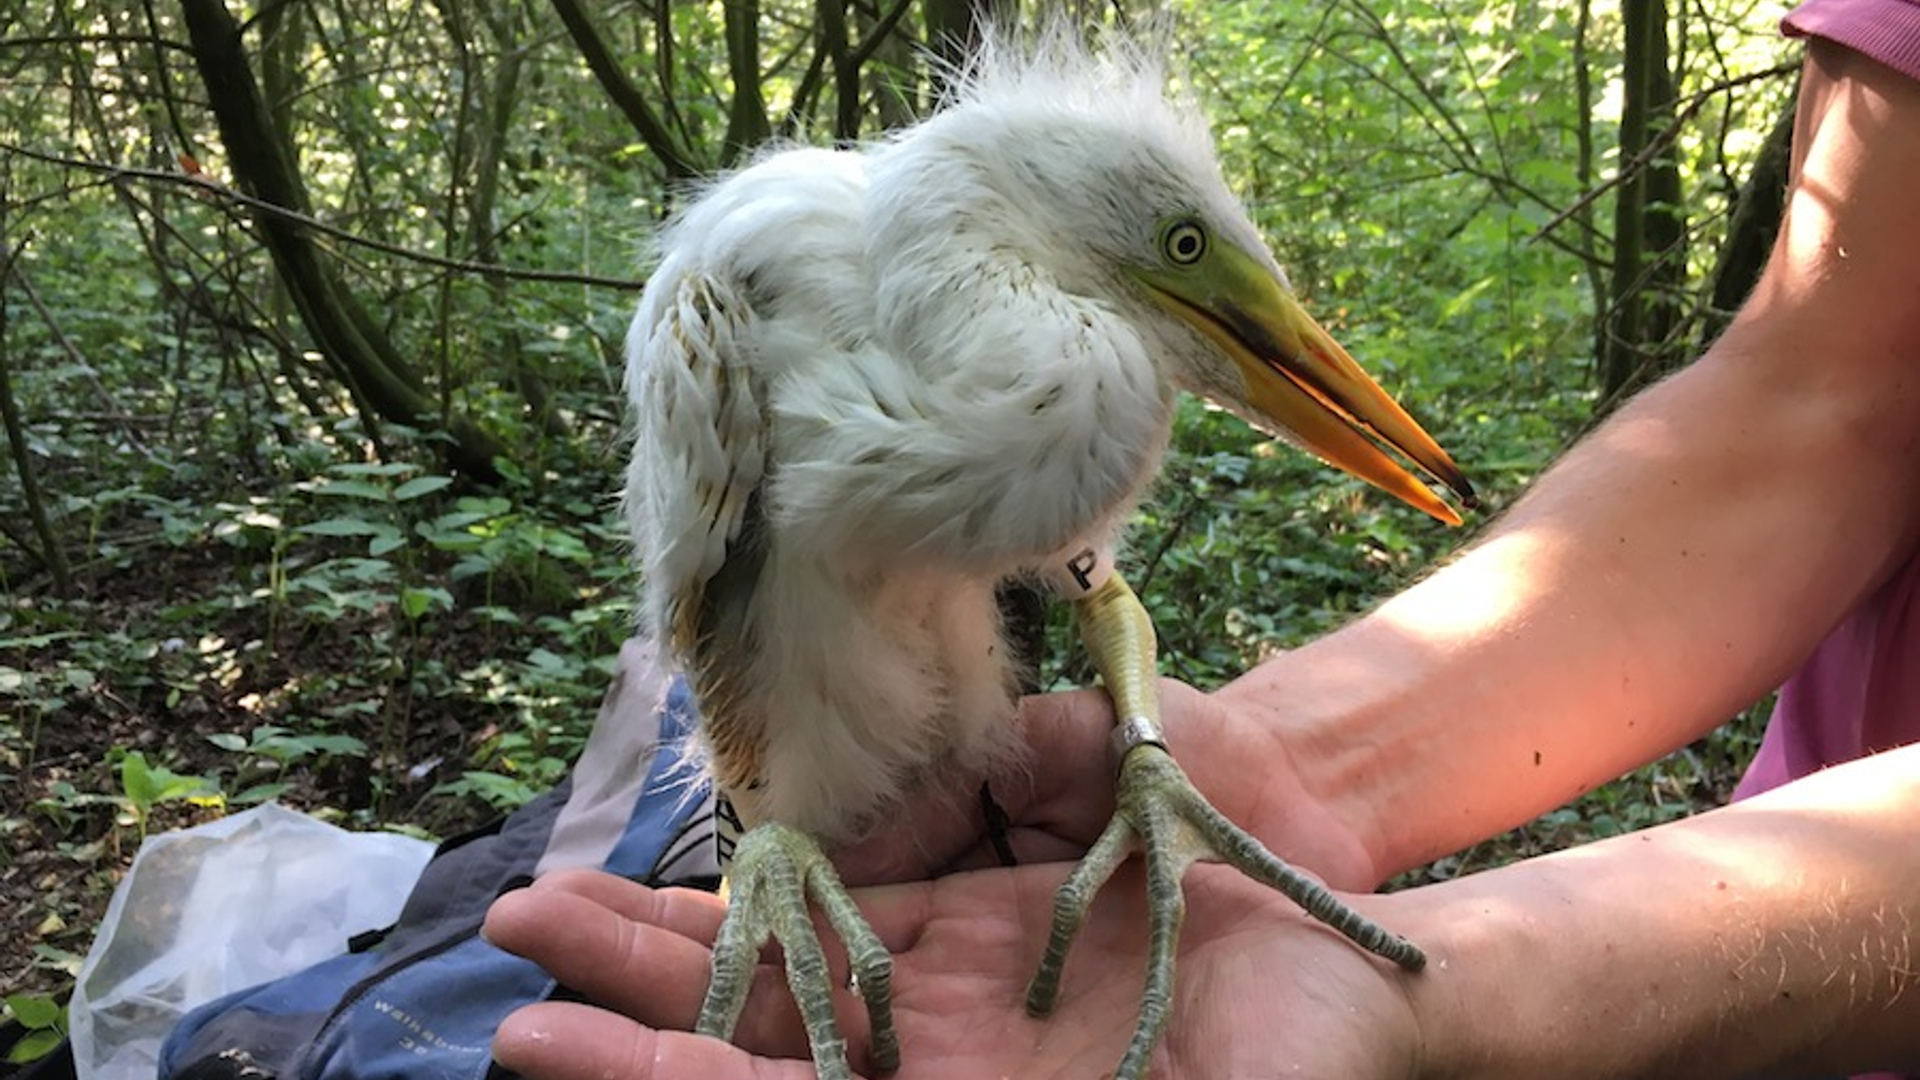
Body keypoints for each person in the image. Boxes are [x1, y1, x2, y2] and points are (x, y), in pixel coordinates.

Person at [482, 3, 1920, 1077]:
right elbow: (1837, 402)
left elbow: (1087, 573)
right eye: (1183, 256)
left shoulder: (1058, 347)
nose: (1219, 307)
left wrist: (1154, 754)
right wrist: (769, 837)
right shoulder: (744, 295)